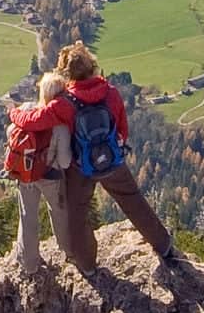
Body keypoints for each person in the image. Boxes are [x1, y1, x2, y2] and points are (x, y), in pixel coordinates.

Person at [33, 41, 177, 271]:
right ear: (93, 65)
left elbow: (35, 120)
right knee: (133, 200)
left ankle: (88, 265)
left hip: (80, 167)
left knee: (77, 213)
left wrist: (14, 114)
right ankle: (164, 245)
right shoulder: (110, 93)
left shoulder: (64, 103)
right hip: (111, 159)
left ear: (67, 74)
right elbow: (122, 129)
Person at [1, 72, 74, 271]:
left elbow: (10, 133)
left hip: (25, 173)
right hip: (51, 176)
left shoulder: (26, 110)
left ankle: (29, 263)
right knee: (59, 211)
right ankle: (68, 251)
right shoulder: (59, 125)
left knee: (27, 215)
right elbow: (65, 162)